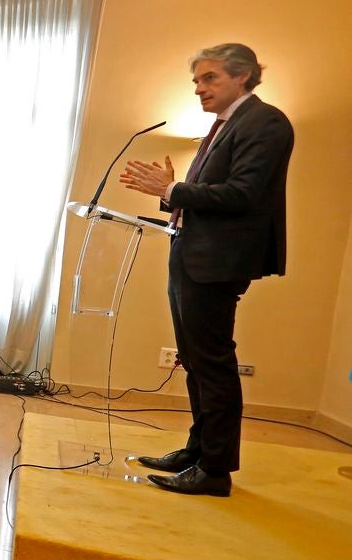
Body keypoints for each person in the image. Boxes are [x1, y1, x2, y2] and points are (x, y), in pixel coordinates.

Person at [120, 43, 292, 498]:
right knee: (194, 361)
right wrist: (171, 191)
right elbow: (207, 193)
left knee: (212, 364)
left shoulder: (266, 122)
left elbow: (243, 195)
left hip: (218, 261)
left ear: (244, 76)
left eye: (209, 78)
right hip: (193, 253)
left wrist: (175, 188)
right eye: (197, 80)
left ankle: (215, 470)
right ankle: (198, 450)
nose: (199, 88)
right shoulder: (223, 125)